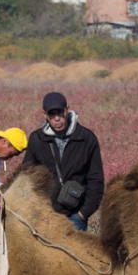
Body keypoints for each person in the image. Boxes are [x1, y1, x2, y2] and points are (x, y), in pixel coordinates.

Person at [22, 91, 104, 231]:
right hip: (45, 217)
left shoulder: (86, 138)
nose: (57, 119)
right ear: (44, 114)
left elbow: (96, 180)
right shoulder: (37, 139)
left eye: (60, 113)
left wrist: (83, 214)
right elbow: (26, 177)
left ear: (67, 110)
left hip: (75, 217)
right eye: (52, 114)